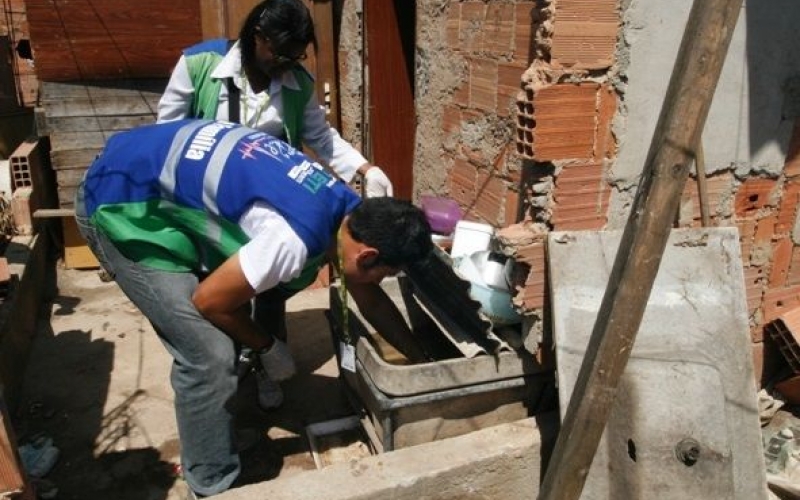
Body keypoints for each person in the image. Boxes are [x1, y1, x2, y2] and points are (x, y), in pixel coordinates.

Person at [74, 119, 432, 497]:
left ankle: (211, 435)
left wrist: (422, 364)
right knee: (208, 353)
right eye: (383, 274)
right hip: (120, 204)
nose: (376, 284)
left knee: (229, 328)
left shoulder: (348, 209)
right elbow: (209, 301)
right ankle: (211, 483)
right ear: (368, 255)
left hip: (144, 168)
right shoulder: (291, 240)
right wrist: (267, 345)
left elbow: (370, 299)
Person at [157, 0, 393, 198]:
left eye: (296, 57)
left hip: (270, 192)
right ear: (258, 36)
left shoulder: (298, 83)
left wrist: (367, 170)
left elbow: (321, 136)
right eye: (281, 55)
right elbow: (166, 135)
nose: (288, 65)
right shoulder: (198, 64)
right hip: (206, 190)